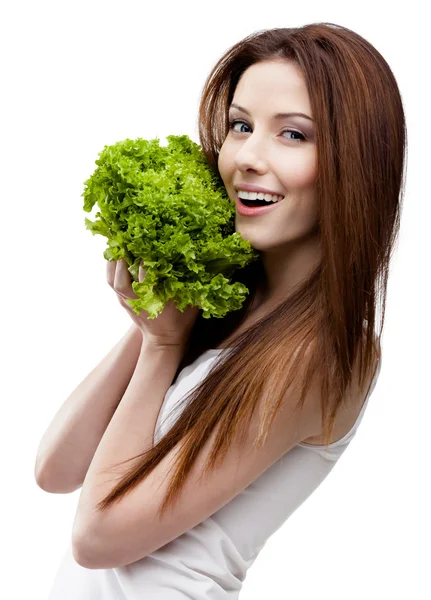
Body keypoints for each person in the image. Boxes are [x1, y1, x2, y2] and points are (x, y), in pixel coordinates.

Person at [36, 22, 405, 599]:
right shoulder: (224, 304)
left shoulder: (326, 351)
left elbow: (98, 537)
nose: (249, 157)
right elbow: (55, 470)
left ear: (355, 162)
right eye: (241, 125)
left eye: (294, 135)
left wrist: (161, 347)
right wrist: (163, 306)